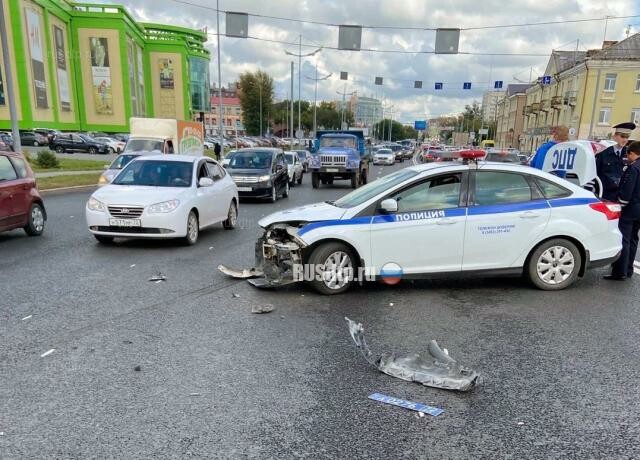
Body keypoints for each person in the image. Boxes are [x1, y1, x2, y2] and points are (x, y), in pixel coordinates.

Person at [605, 141, 640, 281]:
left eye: (628, 154)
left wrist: (620, 204)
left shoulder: (633, 168)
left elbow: (627, 191)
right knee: (633, 239)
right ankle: (629, 269)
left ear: (632, 153)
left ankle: (620, 271)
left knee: (623, 239)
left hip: (630, 208)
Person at [595, 122, 636, 201]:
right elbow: (595, 174)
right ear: (615, 136)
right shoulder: (603, 153)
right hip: (604, 195)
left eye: (627, 137)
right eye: (622, 136)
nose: (625, 140)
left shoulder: (629, 154)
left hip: (621, 197)